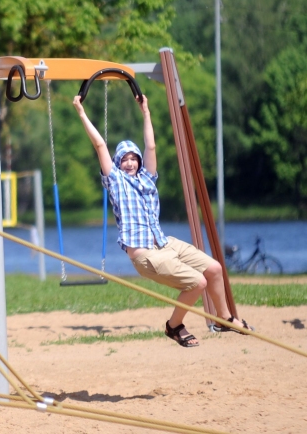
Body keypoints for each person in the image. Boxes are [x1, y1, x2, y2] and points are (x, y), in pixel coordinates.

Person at [73, 92, 249, 348]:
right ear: (117, 163)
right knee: (197, 282)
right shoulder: (115, 181)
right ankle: (174, 326)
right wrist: (81, 112)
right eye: (125, 158)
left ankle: (224, 319)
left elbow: (151, 146)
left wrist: (146, 112)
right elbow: (100, 145)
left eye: (134, 157)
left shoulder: (147, 178)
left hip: (164, 243)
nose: (131, 162)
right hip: (145, 254)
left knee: (214, 269)